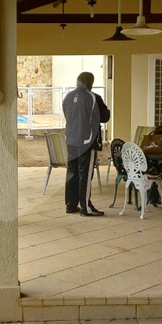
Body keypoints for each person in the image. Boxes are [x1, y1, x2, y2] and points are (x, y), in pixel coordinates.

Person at [62, 72, 110, 216]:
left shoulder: (68, 97)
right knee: (85, 174)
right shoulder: (93, 97)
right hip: (87, 142)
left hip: (70, 139)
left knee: (72, 172)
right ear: (90, 83)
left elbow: (67, 114)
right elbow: (105, 117)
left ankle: (70, 205)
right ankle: (85, 208)